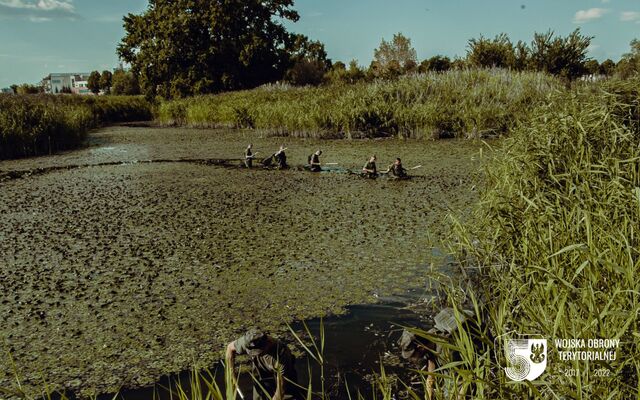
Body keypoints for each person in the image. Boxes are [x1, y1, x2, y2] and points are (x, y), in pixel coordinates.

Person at [398, 308, 475, 399]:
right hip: (453, 366)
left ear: (420, 347)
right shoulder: (430, 335)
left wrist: (458, 397)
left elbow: (466, 377)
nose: (412, 359)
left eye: (413, 355)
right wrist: (430, 382)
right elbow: (431, 358)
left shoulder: (447, 351)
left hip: (465, 369)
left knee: (448, 394)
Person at [226, 329, 302, 400]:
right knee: (259, 393)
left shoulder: (282, 354)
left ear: (268, 343)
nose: (256, 354)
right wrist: (232, 374)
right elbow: (230, 348)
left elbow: (280, 391)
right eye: (251, 351)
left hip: (281, 370)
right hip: (260, 367)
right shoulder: (248, 341)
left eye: (258, 352)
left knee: (288, 394)